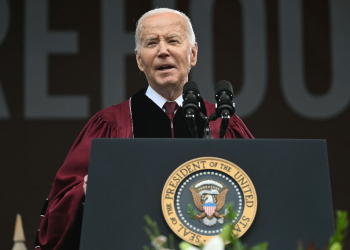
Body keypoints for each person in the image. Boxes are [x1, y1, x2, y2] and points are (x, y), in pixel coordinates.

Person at [36, 8, 253, 250]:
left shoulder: (223, 123)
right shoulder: (110, 124)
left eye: (173, 41)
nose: (163, 51)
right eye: (152, 43)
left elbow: (257, 194)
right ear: (140, 60)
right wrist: (86, 191)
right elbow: (61, 207)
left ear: (192, 54)